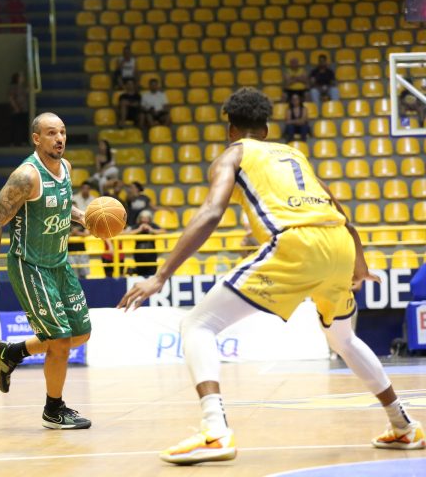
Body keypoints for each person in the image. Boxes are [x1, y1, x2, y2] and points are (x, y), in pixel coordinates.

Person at [118, 87, 425, 465]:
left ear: (231, 130)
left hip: (296, 244)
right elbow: (342, 214)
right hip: (339, 243)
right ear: (265, 129)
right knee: (344, 339)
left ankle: (214, 431)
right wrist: (359, 265)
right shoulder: (294, 154)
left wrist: (161, 275)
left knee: (197, 325)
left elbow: (211, 212)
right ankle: (403, 425)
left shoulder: (233, 154)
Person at [0, 112, 99, 429]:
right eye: (52, 133)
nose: (59, 138)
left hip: (59, 263)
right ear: (36, 138)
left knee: (80, 334)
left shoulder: (66, 167)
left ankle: (12, 353)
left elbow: (63, 205)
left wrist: (84, 217)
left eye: (63, 132)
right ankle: (53, 410)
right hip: (30, 265)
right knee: (60, 340)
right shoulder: (26, 176)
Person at [125, 209, 165, 277]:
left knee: (152, 271)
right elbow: (126, 233)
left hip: (151, 253)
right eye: (143, 218)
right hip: (139, 253)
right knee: (140, 271)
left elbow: (163, 231)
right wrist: (139, 230)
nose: (145, 220)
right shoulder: (137, 226)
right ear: (140, 218)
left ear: (150, 218)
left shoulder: (152, 225)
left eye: (146, 218)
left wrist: (151, 230)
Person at [69, 184, 95, 280]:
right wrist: (72, 234)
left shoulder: (81, 220)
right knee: (73, 276)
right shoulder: (65, 222)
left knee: (85, 275)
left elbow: (88, 233)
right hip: (70, 252)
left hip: (82, 250)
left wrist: (78, 233)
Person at [8, 71, 29, 145]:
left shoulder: (22, 87)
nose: (23, 78)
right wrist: (16, 107)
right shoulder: (13, 87)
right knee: (15, 126)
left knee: (24, 125)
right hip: (17, 110)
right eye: (21, 77)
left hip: (24, 109)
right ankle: (13, 142)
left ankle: (23, 141)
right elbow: (11, 98)